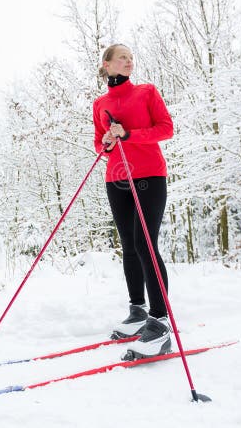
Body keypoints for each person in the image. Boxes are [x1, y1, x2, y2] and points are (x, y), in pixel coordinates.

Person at [91, 44, 175, 360]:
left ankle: (160, 321)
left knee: (145, 244)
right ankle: (137, 311)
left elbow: (166, 129)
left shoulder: (146, 92)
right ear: (107, 64)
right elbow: (100, 146)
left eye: (131, 57)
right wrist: (108, 142)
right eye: (122, 57)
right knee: (128, 245)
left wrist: (128, 134)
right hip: (117, 180)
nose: (129, 61)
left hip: (149, 176)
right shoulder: (101, 103)